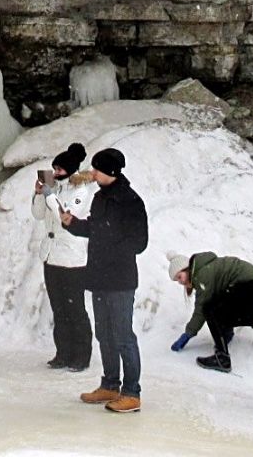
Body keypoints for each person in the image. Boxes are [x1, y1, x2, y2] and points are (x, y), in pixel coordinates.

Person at [61, 147, 149, 414]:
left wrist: (112, 248)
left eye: (97, 169)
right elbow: (94, 228)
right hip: (99, 277)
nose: (93, 173)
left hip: (120, 279)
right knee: (104, 334)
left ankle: (132, 393)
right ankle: (110, 384)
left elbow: (139, 242)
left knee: (123, 335)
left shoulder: (131, 201)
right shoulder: (100, 198)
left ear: (110, 171)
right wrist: (72, 224)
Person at [33, 142, 97, 372]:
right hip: (51, 256)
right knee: (59, 308)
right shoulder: (56, 189)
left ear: (69, 170)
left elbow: (65, 215)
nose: (55, 174)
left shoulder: (81, 191)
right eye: (54, 170)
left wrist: (50, 196)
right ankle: (63, 353)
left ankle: (81, 355)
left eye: (59, 170)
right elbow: (39, 214)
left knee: (75, 309)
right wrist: (40, 195)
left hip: (71, 259)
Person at [167, 251, 253, 373]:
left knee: (210, 310)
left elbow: (201, 309)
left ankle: (222, 357)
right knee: (220, 311)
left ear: (186, 269)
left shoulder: (202, 275)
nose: (180, 282)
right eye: (176, 280)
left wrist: (188, 334)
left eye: (179, 277)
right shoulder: (204, 268)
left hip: (252, 288)